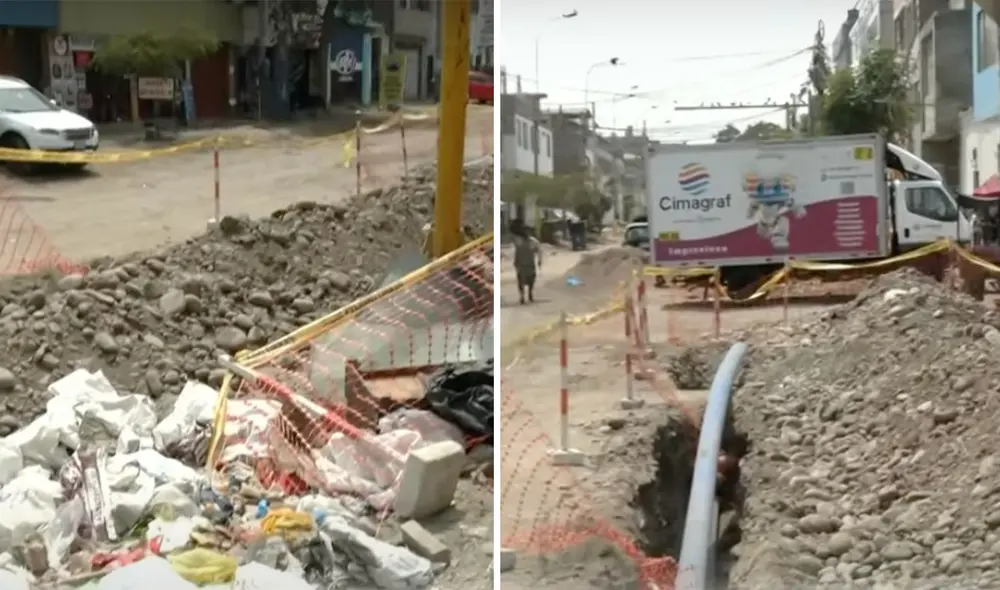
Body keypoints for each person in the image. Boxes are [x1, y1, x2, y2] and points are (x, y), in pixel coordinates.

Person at [512, 223, 542, 304]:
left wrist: (539, 260)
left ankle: (530, 292)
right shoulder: (518, 241)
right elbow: (516, 252)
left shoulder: (534, 242)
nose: (526, 233)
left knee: (531, 280)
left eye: (527, 231)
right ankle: (522, 296)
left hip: (530, 264)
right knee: (520, 280)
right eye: (524, 231)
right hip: (521, 264)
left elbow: (539, 251)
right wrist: (515, 262)